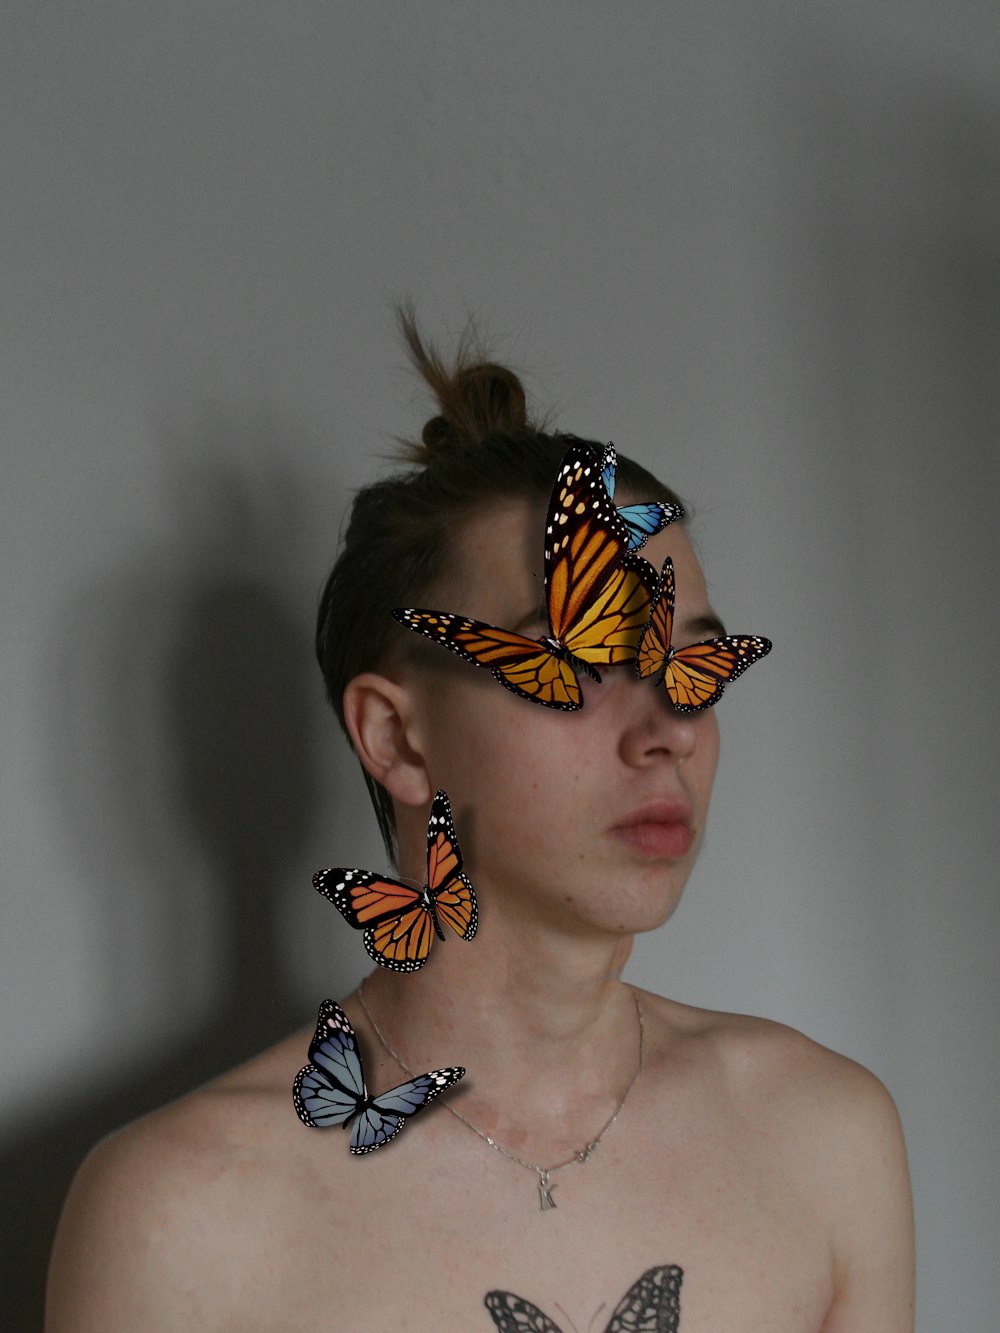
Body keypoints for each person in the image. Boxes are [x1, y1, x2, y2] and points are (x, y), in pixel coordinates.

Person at [46, 318, 915, 1331]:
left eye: (689, 663)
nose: (668, 728)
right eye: (579, 667)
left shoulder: (821, 1139)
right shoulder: (181, 1216)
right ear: (399, 739)